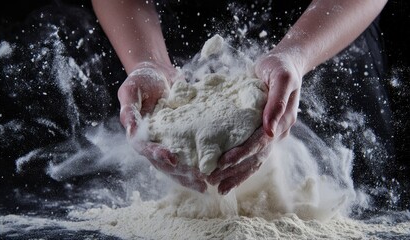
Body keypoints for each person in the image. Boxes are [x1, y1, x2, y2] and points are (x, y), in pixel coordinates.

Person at [91, 0, 389, 195]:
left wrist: (296, 55)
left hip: (327, 28)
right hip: (156, 31)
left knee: (354, 187)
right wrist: (148, 62)